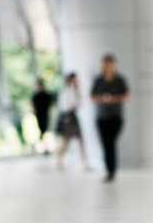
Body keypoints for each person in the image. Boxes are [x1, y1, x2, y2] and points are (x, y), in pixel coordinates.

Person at [90, 54, 130, 182]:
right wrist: (102, 99)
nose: (108, 67)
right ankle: (109, 171)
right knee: (105, 144)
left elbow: (127, 95)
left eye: (110, 64)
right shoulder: (99, 80)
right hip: (102, 117)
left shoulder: (119, 80)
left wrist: (113, 99)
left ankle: (112, 171)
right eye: (106, 64)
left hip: (115, 117)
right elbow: (92, 96)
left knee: (111, 143)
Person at [55, 73, 89, 171]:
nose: (76, 81)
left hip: (72, 116)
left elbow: (79, 104)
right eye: (74, 79)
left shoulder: (75, 90)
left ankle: (84, 164)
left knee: (80, 141)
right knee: (65, 142)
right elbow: (66, 106)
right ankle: (59, 161)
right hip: (68, 117)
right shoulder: (66, 91)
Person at [31, 80, 53, 154]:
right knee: (42, 132)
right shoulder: (35, 96)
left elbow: (51, 105)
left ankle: (46, 148)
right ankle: (43, 148)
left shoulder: (46, 95)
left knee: (45, 132)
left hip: (45, 115)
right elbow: (32, 106)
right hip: (39, 116)